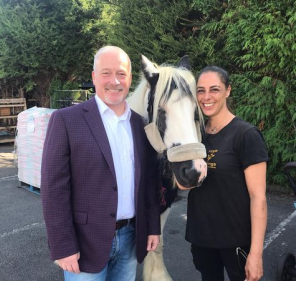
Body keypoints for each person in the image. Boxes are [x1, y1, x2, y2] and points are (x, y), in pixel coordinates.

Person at [41, 46, 161, 281]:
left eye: (121, 73)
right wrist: (63, 246)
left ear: (129, 78)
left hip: (130, 238)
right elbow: (54, 190)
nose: (114, 81)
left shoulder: (140, 125)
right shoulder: (66, 121)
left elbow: (149, 183)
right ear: (94, 77)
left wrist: (153, 227)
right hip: (85, 242)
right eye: (106, 73)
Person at [184, 66, 268, 281]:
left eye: (214, 89)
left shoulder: (246, 135)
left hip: (235, 240)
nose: (206, 97)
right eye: (201, 90)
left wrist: (256, 254)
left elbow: (258, 198)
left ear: (228, 90)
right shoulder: (194, 135)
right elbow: (184, 184)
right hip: (202, 237)